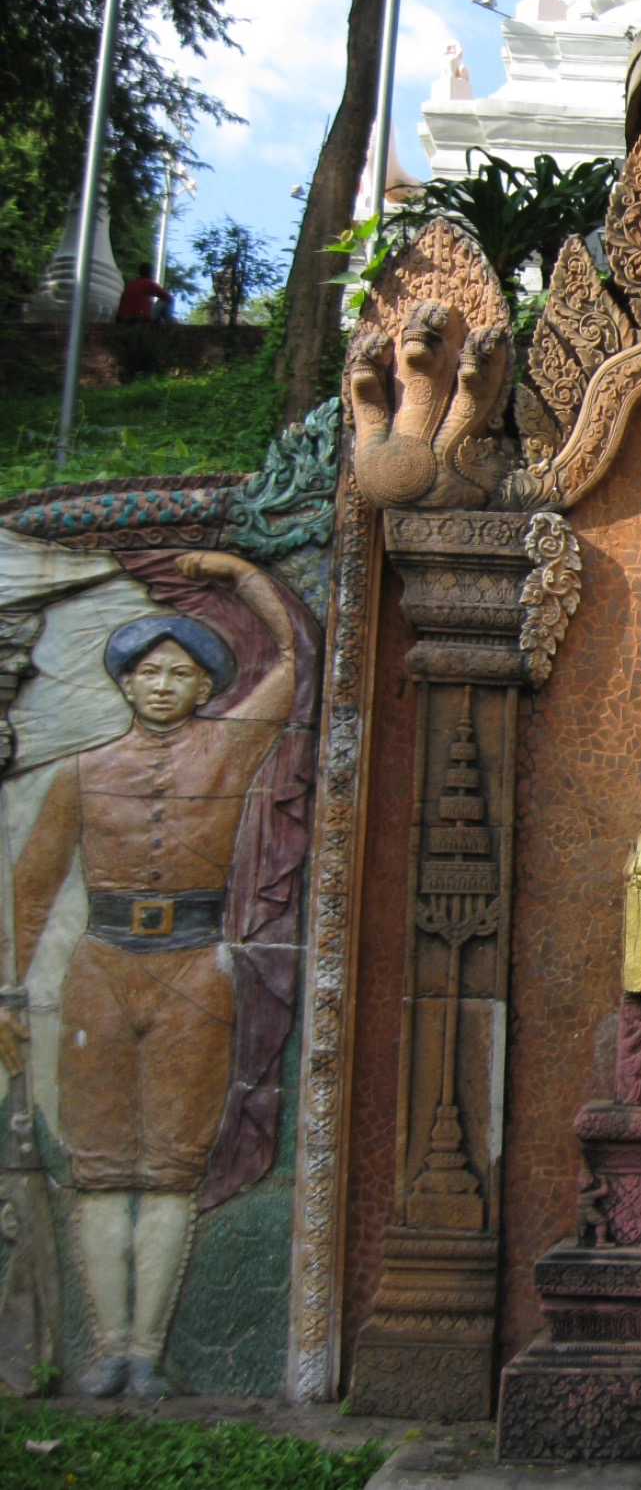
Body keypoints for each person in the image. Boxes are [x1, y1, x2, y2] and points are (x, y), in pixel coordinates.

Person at [9, 551, 297, 1398]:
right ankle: (108, 1351)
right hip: (99, 971)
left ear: (205, 688)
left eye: (179, 674)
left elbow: (293, 659)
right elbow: (31, 889)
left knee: (172, 1162)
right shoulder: (83, 774)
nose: (163, 687)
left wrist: (239, 575)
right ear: (126, 685)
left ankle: (146, 1349)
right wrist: (8, 992)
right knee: (101, 1164)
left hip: (193, 972)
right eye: (148, 674)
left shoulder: (230, 750)